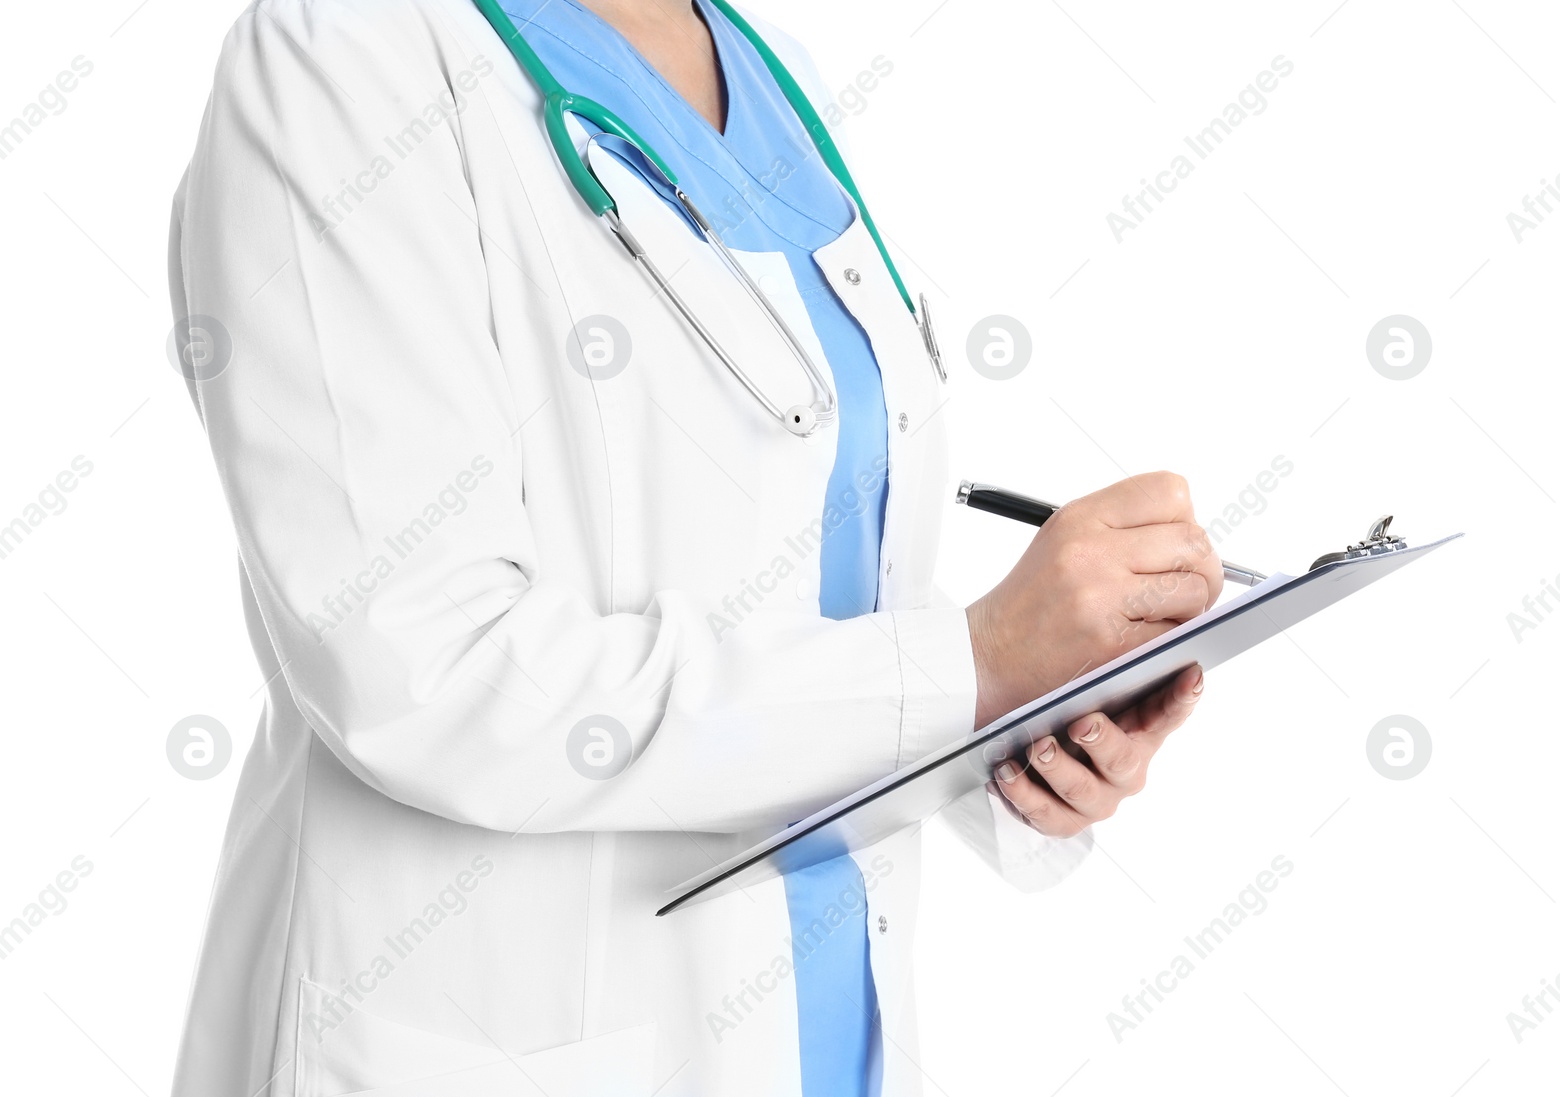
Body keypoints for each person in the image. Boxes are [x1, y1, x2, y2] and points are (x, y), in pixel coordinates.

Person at [165, 0, 1220, 1093]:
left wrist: (1028, 718)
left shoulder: (771, 70)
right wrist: (973, 662)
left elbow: (811, 582)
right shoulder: (339, 58)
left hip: (821, 1027)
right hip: (494, 1034)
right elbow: (421, 669)